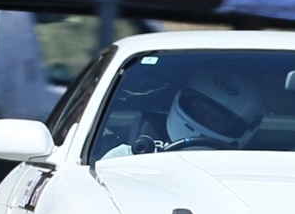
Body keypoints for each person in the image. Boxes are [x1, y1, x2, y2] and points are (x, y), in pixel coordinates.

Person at [98, 65, 266, 159]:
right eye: (201, 109)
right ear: (183, 99)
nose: (206, 120)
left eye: (219, 120)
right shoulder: (124, 158)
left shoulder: (253, 175)